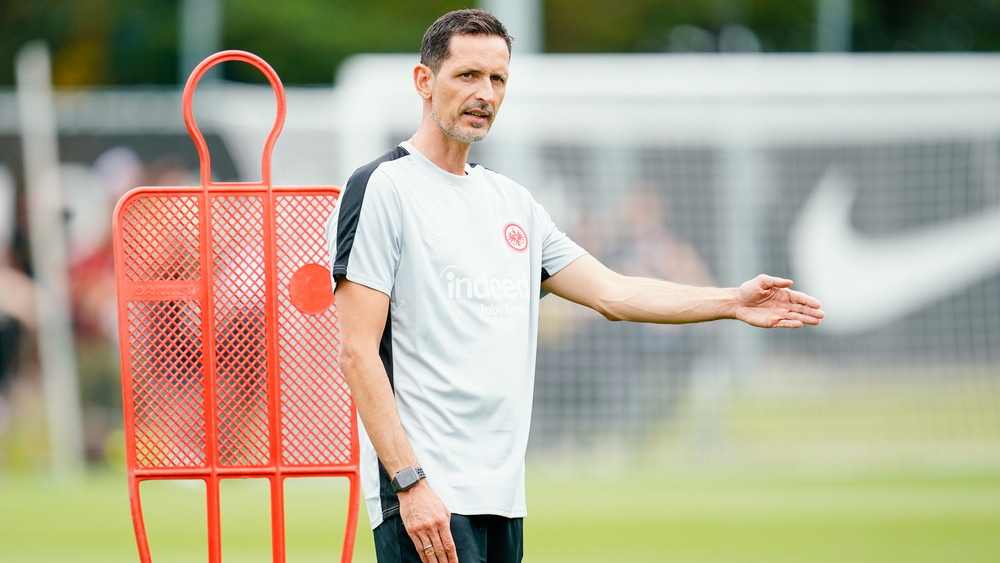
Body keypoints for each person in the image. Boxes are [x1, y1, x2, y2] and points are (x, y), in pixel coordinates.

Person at [325, 9, 824, 563]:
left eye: (498, 79)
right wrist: (410, 484)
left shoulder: (512, 203)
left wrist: (731, 301)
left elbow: (613, 292)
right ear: (425, 82)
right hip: (426, 496)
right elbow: (357, 350)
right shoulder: (384, 188)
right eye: (467, 75)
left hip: (502, 497)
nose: (484, 93)